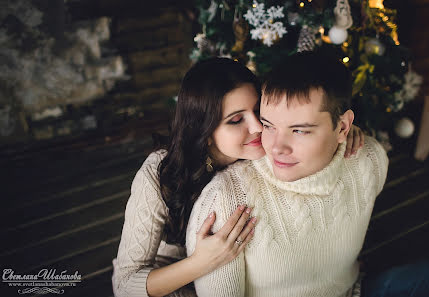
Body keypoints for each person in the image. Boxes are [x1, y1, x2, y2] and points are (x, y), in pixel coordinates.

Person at [112, 57, 364, 297]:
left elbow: (306, 120)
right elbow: (124, 285)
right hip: (170, 285)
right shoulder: (160, 172)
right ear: (205, 130)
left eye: (258, 111)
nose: (257, 127)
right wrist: (200, 263)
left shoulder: (267, 147)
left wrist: (339, 132)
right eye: (236, 120)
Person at [185, 51, 389, 297]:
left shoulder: (370, 160)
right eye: (269, 126)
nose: (276, 147)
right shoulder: (225, 202)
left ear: (343, 127)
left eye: (300, 131)